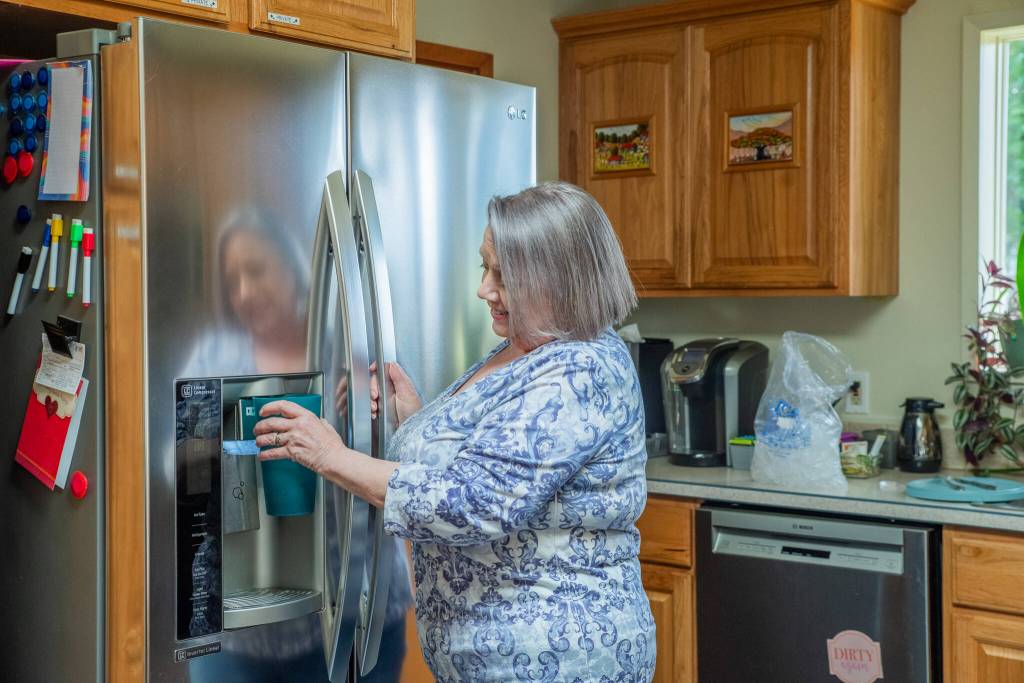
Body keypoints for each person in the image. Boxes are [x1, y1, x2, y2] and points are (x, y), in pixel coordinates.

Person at [254, 182, 656, 682]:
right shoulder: (526, 344)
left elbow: (473, 505)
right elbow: (487, 459)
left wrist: (329, 455)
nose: (483, 289)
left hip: (559, 663)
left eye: (502, 276)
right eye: (484, 267)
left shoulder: (579, 371)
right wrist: (413, 419)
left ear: (558, 280)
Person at [188, 209, 411, 683]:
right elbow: (178, 476)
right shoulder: (213, 357)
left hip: (357, 614)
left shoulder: (353, 353)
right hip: (242, 634)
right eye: (233, 280)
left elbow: (409, 474)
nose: (245, 292)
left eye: (257, 270)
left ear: (295, 267)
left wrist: (376, 415)